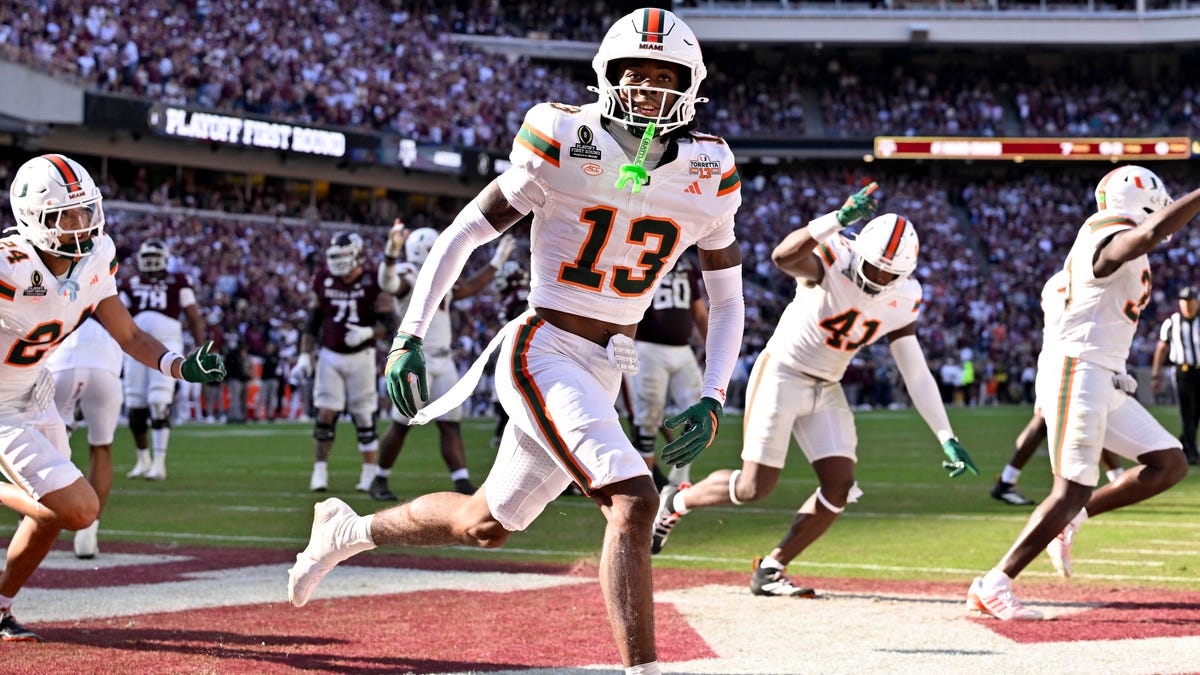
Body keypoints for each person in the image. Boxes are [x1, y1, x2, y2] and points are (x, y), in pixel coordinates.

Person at [289, 10, 745, 673]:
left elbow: (727, 296)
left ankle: (345, 529)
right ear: (607, 77)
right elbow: (466, 231)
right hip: (544, 349)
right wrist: (410, 332)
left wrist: (713, 392)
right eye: (635, 75)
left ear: (690, 84)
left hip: (608, 365)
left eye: (664, 76)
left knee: (485, 523)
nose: (648, 90)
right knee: (634, 499)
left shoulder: (708, 167)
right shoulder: (563, 136)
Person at [649, 201, 979, 597]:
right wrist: (835, 220)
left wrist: (945, 434)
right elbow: (782, 257)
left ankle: (772, 567)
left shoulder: (905, 295)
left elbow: (914, 367)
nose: (876, 277)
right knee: (755, 487)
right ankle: (677, 502)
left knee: (839, 486)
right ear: (859, 250)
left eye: (888, 273)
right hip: (783, 372)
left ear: (903, 274)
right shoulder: (835, 253)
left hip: (828, 384)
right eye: (873, 265)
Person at [0, 153, 225, 641]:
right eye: (67, 216)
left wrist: (178, 364)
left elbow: (128, 335)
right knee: (77, 510)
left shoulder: (96, 257)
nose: (83, 225)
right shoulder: (7, 265)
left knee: (50, 518)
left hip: (35, 389)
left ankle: (0, 607)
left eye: (86, 211)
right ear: (32, 219)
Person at [968, 165, 1198, 621]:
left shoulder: (1087, 258)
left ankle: (1075, 516)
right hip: (1081, 368)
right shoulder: (1104, 231)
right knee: (1070, 487)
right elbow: (1140, 239)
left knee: (1169, 463)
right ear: (1141, 201)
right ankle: (993, 583)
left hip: (1104, 374)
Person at [369, 220, 515, 500]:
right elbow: (388, 283)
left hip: (443, 360)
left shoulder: (439, 276)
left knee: (450, 423)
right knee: (401, 425)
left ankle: (461, 481)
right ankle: (379, 479)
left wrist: (496, 261)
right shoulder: (409, 273)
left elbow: (468, 288)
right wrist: (390, 254)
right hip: (415, 360)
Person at [991, 272, 1126, 506]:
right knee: (1080, 415)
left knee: (1073, 417)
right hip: (1069, 360)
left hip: (1058, 359)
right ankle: (1118, 481)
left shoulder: (1056, 282)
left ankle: (1006, 480)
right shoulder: (1082, 282)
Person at [290, 231, 394, 492]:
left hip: (362, 356)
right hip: (330, 355)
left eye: (343, 255)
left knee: (363, 415)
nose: (337, 262)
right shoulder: (324, 278)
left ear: (357, 254)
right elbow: (312, 321)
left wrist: (369, 332)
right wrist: (304, 354)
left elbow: (389, 322)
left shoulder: (373, 280)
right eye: (334, 256)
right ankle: (320, 472)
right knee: (325, 413)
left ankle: (368, 474)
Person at [120, 238, 208, 480]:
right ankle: (143, 458)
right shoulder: (130, 283)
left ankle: (160, 462)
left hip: (167, 344)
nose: (150, 262)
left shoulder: (178, 281)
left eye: (153, 258)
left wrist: (201, 346)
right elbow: (118, 314)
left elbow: (193, 316)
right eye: (146, 258)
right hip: (135, 345)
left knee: (159, 401)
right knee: (135, 402)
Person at [625, 249, 707, 489]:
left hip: (683, 350)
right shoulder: (640, 256)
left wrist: (715, 354)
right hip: (647, 348)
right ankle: (645, 483)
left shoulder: (687, 264)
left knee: (700, 412)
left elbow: (700, 312)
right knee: (647, 418)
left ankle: (679, 479)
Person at [45, 317, 123, 558]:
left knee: (42, 450)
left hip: (62, 361)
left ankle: (31, 528)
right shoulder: (102, 291)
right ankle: (88, 536)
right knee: (102, 447)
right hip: (105, 367)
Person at [1151, 286, 1200, 465]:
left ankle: (1185, 444)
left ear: (1196, 301)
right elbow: (1161, 349)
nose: (1187, 305)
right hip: (1183, 371)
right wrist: (1156, 375)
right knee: (1188, 411)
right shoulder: (1171, 323)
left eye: (1190, 300)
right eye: (1184, 301)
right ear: (1179, 303)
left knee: (1196, 412)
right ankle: (1192, 452)